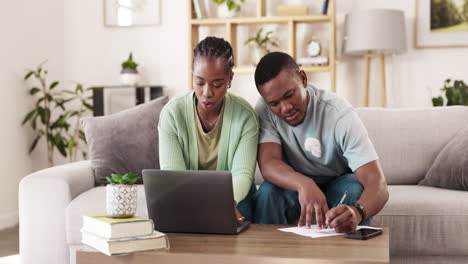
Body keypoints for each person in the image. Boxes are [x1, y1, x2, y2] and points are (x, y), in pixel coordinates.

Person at [253, 52, 389, 233]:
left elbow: (378, 185)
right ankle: (265, 256)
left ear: (303, 79)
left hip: (337, 184)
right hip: (295, 185)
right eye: (275, 103)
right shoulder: (264, 110)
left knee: (355, 187)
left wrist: (357, 212)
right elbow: (269, 164)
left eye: (289, 95)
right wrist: (304, 184)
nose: (285, 108)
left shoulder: (339, 114)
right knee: (268, 192)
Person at [158, 36, 259, 222]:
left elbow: (243, 174)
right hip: (186, 194)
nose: (207, 93)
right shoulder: (172, 114)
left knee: (239, 213)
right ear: (192, 76)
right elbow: (173, 174)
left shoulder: (246, 116)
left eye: (217, 84)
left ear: (230, 78)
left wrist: (225, 203)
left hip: (233, 196)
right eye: (200, 82)